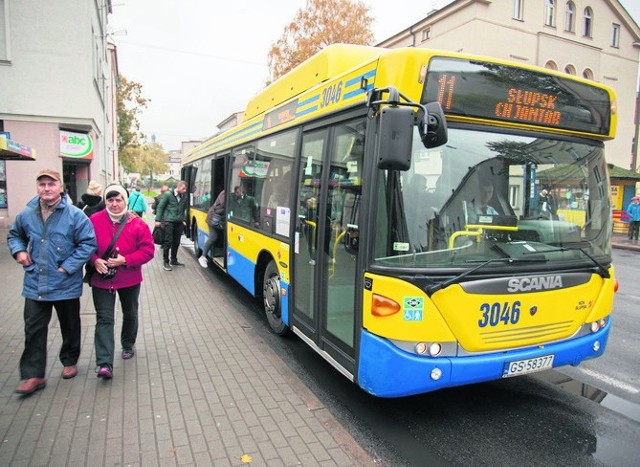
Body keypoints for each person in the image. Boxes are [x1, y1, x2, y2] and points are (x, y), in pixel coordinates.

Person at [7, 168, 96, 395]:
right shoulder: (27, 213)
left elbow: (88, 244)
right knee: (34, 329)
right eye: (42, 184)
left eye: (51, 184)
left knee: (70, 326)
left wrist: (68, 266)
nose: (46, 189)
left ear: (60, 187)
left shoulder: (76, 215)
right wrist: (19, 252)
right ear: (38, 187)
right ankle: (34, 375)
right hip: (35, 282)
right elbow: (15, 235)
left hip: (64, 283)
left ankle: (69, 360)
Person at [89, 184, 155, 379]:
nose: (115, 204)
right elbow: (83, 245)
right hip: (102, 279)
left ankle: (127, 344)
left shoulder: (137, 223)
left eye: (119, 200)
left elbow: (148, 251)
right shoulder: (93, 220)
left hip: (129, 278)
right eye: (110, 200)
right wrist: (95, 260)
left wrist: (125, 260)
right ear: (105, 201)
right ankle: (104, 363)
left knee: (130, 313)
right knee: (104, 318)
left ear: (125, 201)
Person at [155, 180, 189, 271]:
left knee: (176, 242)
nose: (185, 190)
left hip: (179, 222)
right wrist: (157, 220)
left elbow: (185, 209)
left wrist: (184, 219)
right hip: (169, 221)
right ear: (179, 186)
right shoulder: (168, 195)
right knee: (168, 242)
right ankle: (165, 262)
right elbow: (160, 207)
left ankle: (173, 260)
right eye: (183, 188)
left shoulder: (184, 196)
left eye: (186, 189)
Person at [199, 190, 225, 268]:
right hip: (213, 219)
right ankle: (203, 257)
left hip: (219, 220)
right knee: (213, 237)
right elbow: (224, 204)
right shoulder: (224, 193)